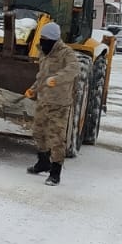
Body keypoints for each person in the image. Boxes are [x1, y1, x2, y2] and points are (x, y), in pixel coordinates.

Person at [23, 21, 81, 186]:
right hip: (43, 99)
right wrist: (33, 89)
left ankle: (55, 173)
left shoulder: (66, 53)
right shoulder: (44, 52)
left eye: (45, 39)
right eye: (41, 38)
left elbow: (74, 69)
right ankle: (43, 162)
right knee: (38, 132)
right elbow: (42, 76)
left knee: (56, 138)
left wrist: (57, 79)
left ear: (54, 39)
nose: (42, 41)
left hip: (59, 103)